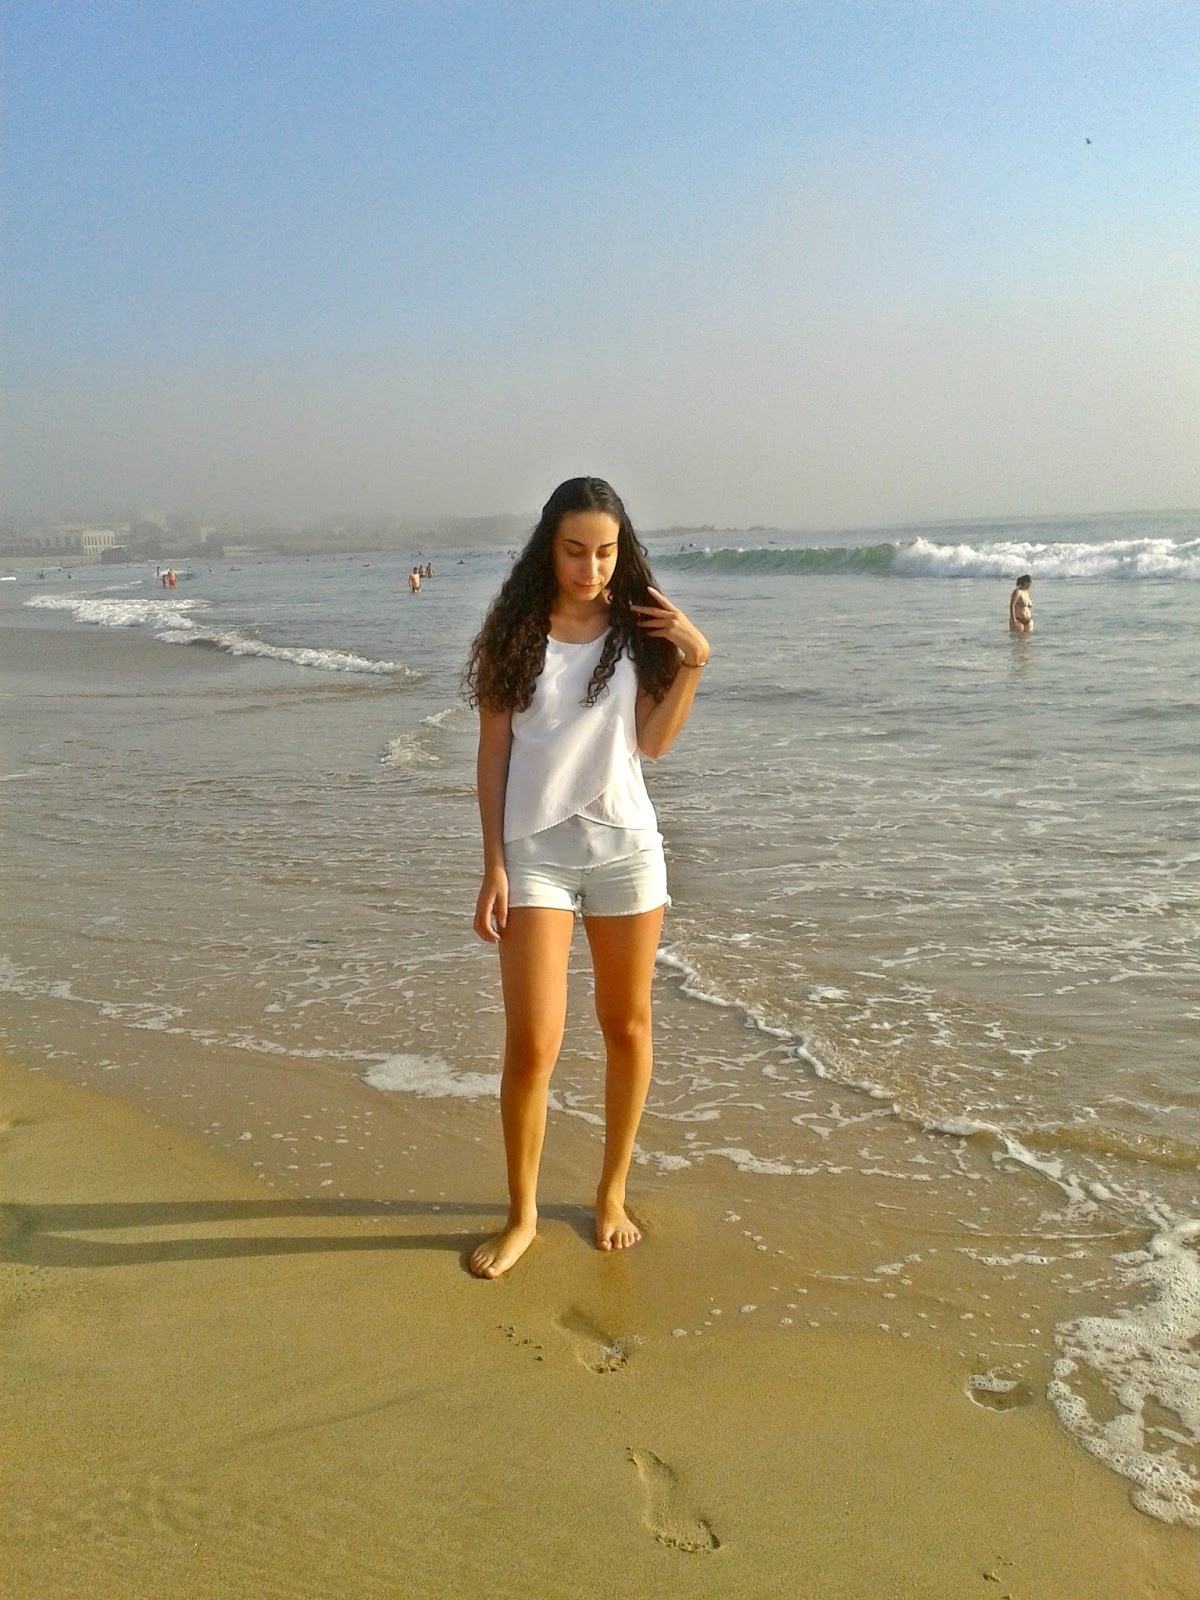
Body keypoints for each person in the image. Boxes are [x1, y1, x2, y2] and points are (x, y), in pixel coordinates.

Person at [464, 476, 710, 1279]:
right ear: (549, 546)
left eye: (605, 552)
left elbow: (653, 744)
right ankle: (522, 1215)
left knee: (626, 1026)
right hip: (534, 853)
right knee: (533, 1043)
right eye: (575, 550)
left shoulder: (638, 631)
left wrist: (695, 659)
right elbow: (494, 753)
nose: (591, 568)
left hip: (625, 853)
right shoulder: (514, 632)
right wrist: (494, 863)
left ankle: (611, 1194)